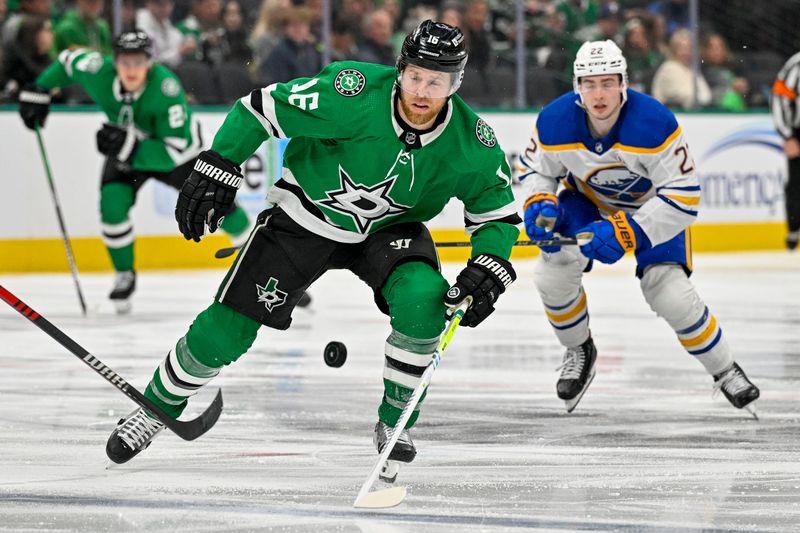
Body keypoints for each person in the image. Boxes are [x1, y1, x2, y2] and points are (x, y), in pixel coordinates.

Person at [103, 20, 521, 484]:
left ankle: (395, 420)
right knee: (227, 330)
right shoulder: (352, 92)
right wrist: (221, 159)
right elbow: (259, 108)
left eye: (437, 81)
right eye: (415, 76)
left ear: (456, 83)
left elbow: (497, 215)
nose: (422, 91)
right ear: (400, 70)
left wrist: (490, 262)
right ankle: (156, 408)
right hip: (305, 216)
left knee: (425, 302)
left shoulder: (472, 142)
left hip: (391, 229)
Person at [517, 39, 759, 415]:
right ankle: (579, 349)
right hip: (588, 203)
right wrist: (539, 202)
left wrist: (626, 230)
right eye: (590, 84)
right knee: (552, 270)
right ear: (577, 87)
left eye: (608, 83)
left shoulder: (655, 122)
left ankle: (725, 369)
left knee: (669, 292)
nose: (599, 94)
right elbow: (536, 171)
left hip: (651, 210)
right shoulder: (553, 120)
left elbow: (684, 196)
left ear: (624, 83)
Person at [17, 31, 252, 313]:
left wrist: (130, 148)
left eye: (138, 62)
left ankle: (260, 268)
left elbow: (175, 149)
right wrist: (39, 89)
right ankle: (124, 274)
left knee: (218, 208)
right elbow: (68, 60)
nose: (132, 69)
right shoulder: (97, 70)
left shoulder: (166, 89)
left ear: (150, 62)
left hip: (178, 156)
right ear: (114, 62)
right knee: (112, 206)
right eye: (125, 62)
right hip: (130, 149)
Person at [771, 50, 800, 250]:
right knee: (797, 185)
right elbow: (780, 97)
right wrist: (788, 135)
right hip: (798, 134)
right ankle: (794, 232)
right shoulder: (796, 65)